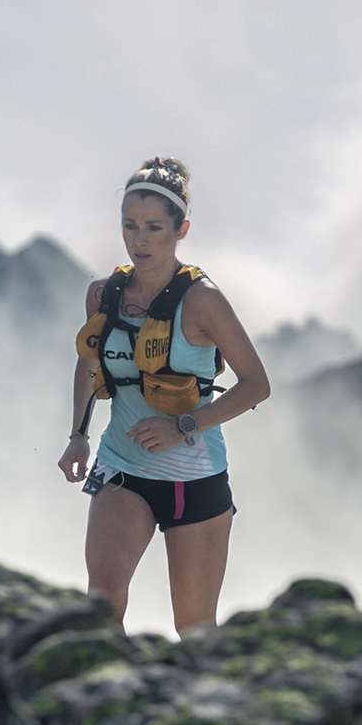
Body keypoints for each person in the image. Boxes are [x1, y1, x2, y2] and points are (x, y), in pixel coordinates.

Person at [57, 157, 270, 635]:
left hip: (194, 479)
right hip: (121, 468)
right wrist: (78, 436)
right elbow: (88, 362)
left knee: (194, 629)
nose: (140, 239)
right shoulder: (103, 295)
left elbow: (257, 384)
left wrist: (182, 426)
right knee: (101, 606)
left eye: (154, 227)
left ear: (181, 230)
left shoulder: (203, 301)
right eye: (130, 226)